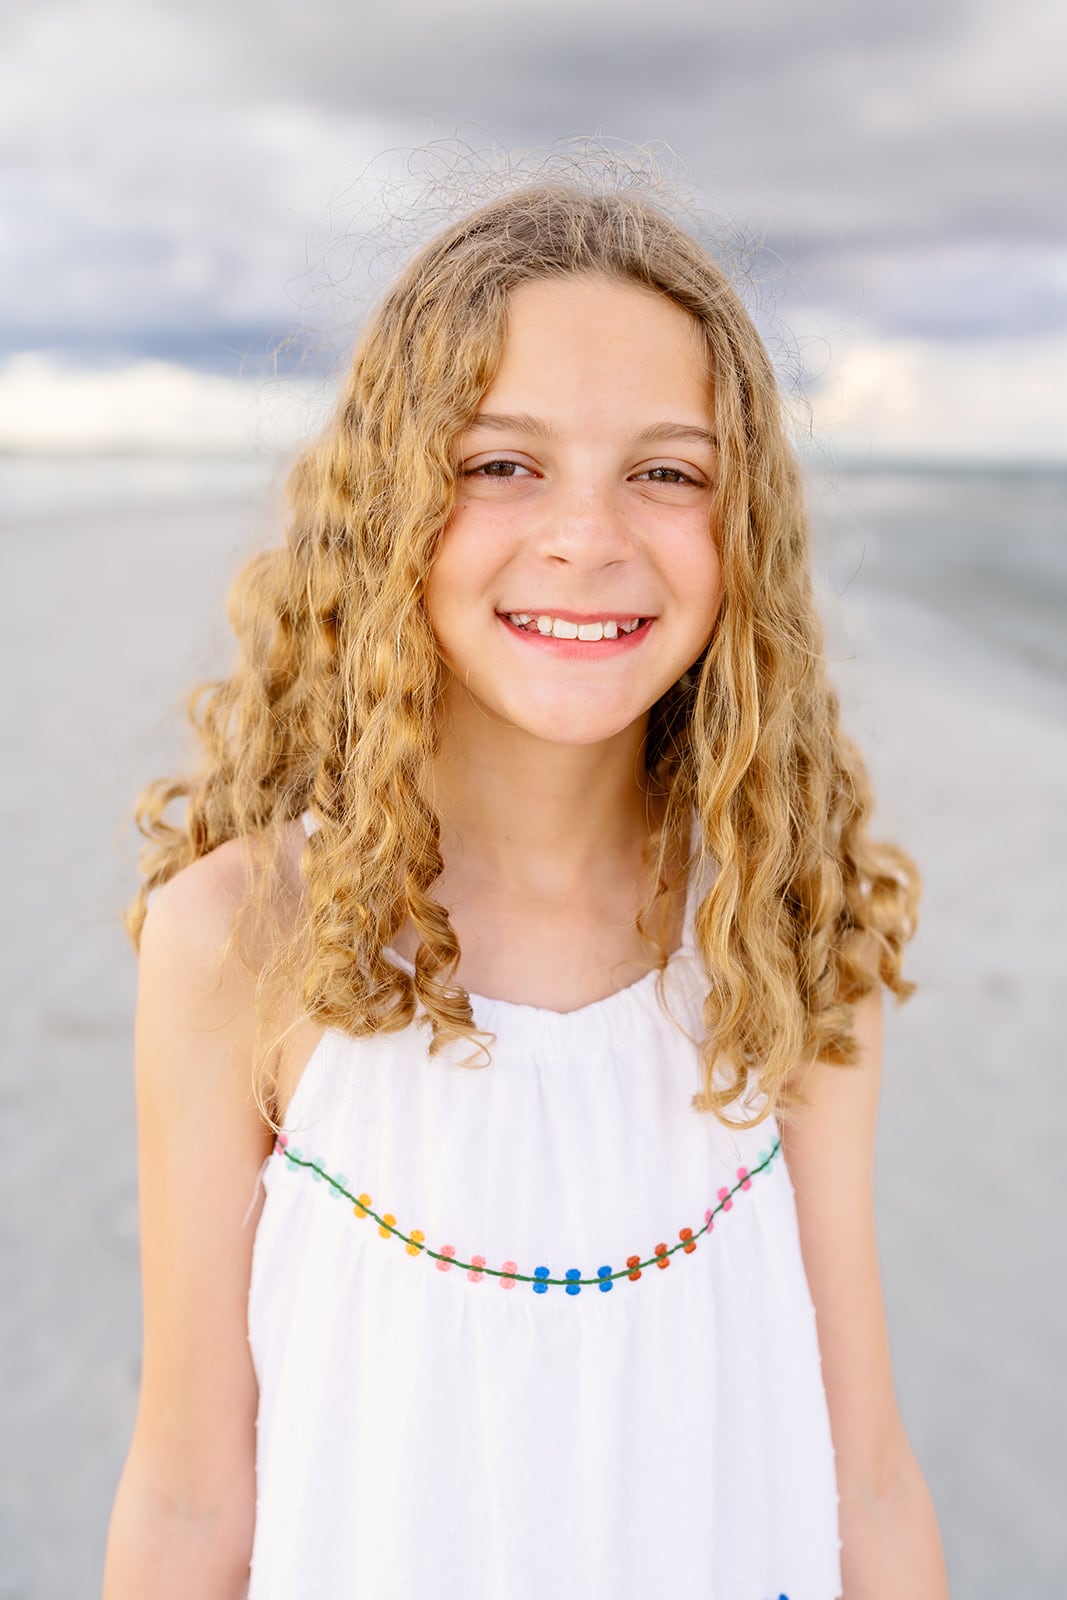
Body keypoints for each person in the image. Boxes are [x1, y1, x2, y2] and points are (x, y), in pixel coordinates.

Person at [102, 178, 949, 1599]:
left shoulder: (784, 927)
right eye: (503, 463)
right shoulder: (246, 939)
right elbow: (190, 1498)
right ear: (390, 505)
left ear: (745, 530)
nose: (587, 537)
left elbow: (861, 1470)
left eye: (668, 473)